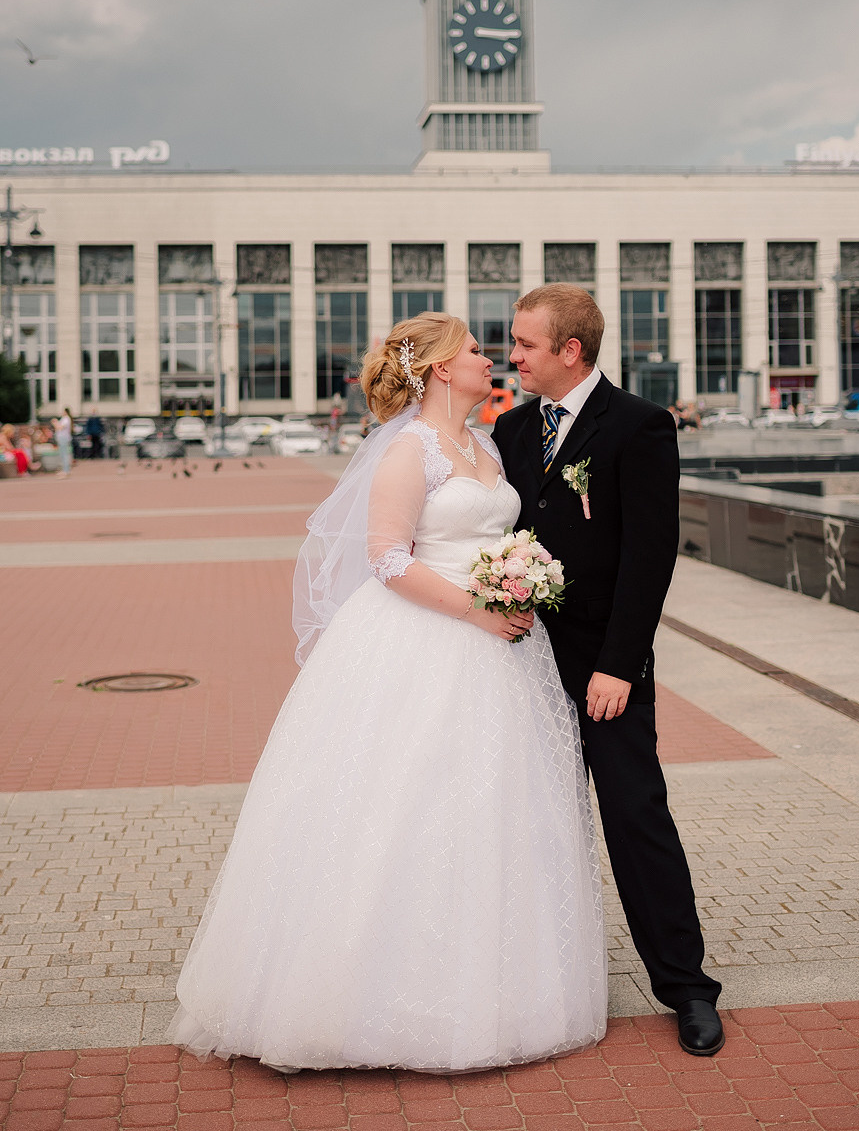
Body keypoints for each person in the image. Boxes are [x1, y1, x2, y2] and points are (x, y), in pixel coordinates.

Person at [172, 311, 607, 1072]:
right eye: (477, 350)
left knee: (494, 809)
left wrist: (519, 581)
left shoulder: (486, 446)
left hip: (504, 652)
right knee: (403, 801)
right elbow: (386, 558)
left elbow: (504, 535)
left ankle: (501, 986)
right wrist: (478, 609)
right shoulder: (410, 452)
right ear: (442, 368)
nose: (491, 359)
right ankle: (363, 997)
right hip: (427, 638)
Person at [493, 284, 723, 1058]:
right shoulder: (512, 428)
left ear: (571, 351)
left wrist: (621, 665)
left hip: (603, 665)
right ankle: (533, 976)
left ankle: (688, 989)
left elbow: (649, 558)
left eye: (525, 344)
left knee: (635, 814)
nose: (511, 356)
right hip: (518, 657)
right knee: (526, 818)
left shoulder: (639, 427)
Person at [54, 408, 73, 475]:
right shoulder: (64, 419)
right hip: (62, 438)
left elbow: (60, 427)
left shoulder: (66, 419)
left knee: (64, 454)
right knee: (62, 454)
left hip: (63, 438)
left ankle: (66, 470)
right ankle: (64, 469)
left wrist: (55, 423)